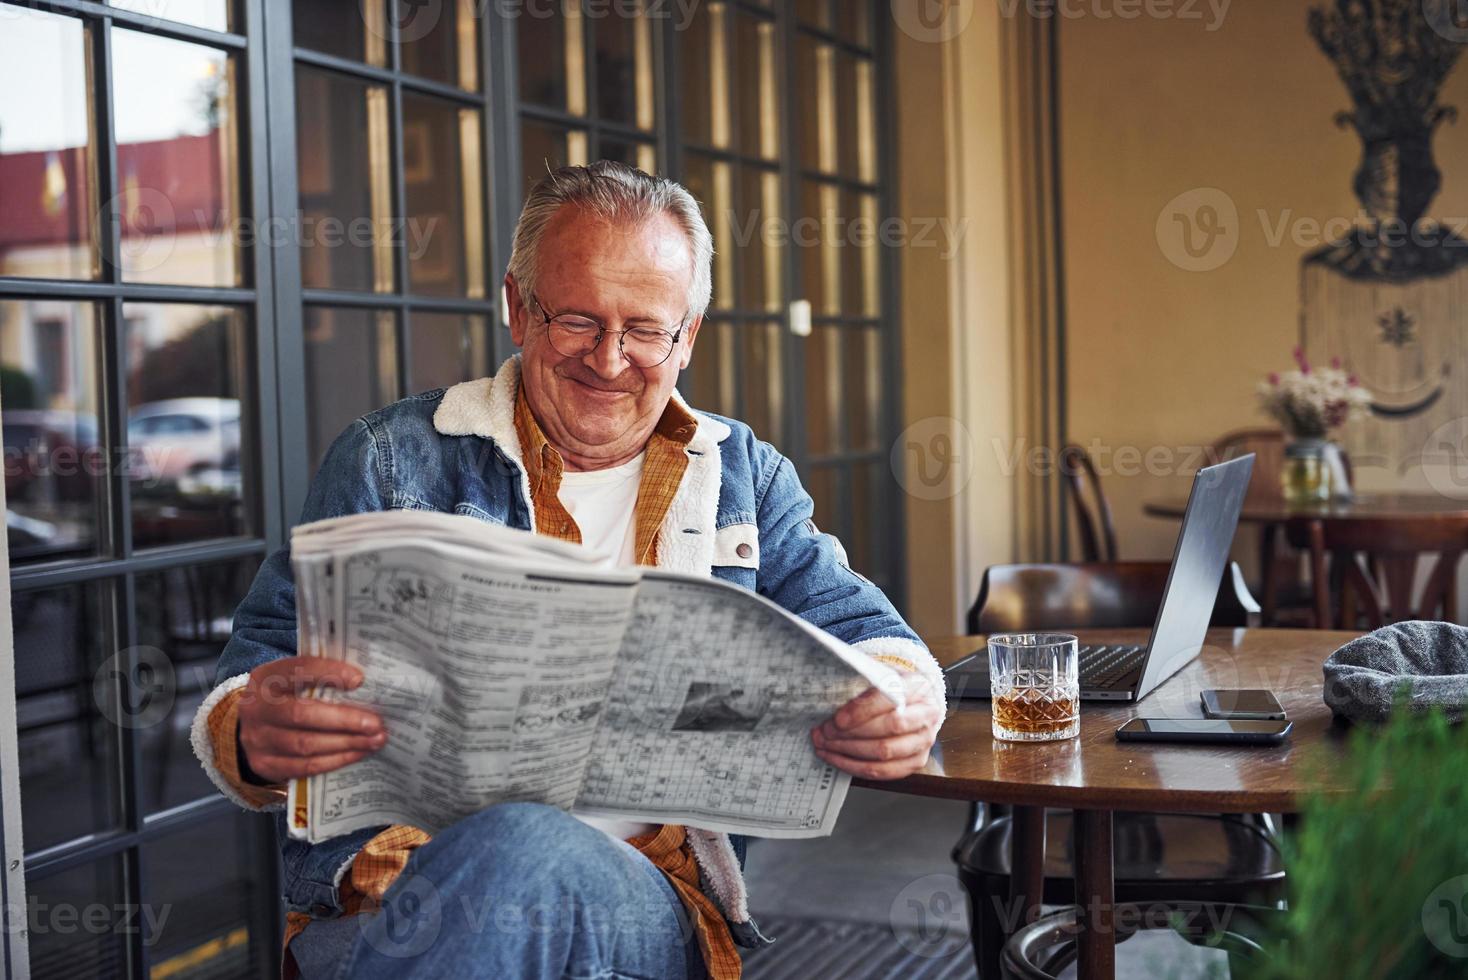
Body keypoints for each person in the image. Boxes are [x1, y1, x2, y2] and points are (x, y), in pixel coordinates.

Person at [191, 160, 946, 980]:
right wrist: (255, 733)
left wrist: (901, 700)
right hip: (393, 898)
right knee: (505, 861)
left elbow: (873, 636)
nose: (611, 359)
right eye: (578, 318)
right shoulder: (388, 462)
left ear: (688, 337)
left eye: (647, 329)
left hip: (639, 901)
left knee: (528, 847)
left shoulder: (743, 477)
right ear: (518, 307)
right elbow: (257, 668)